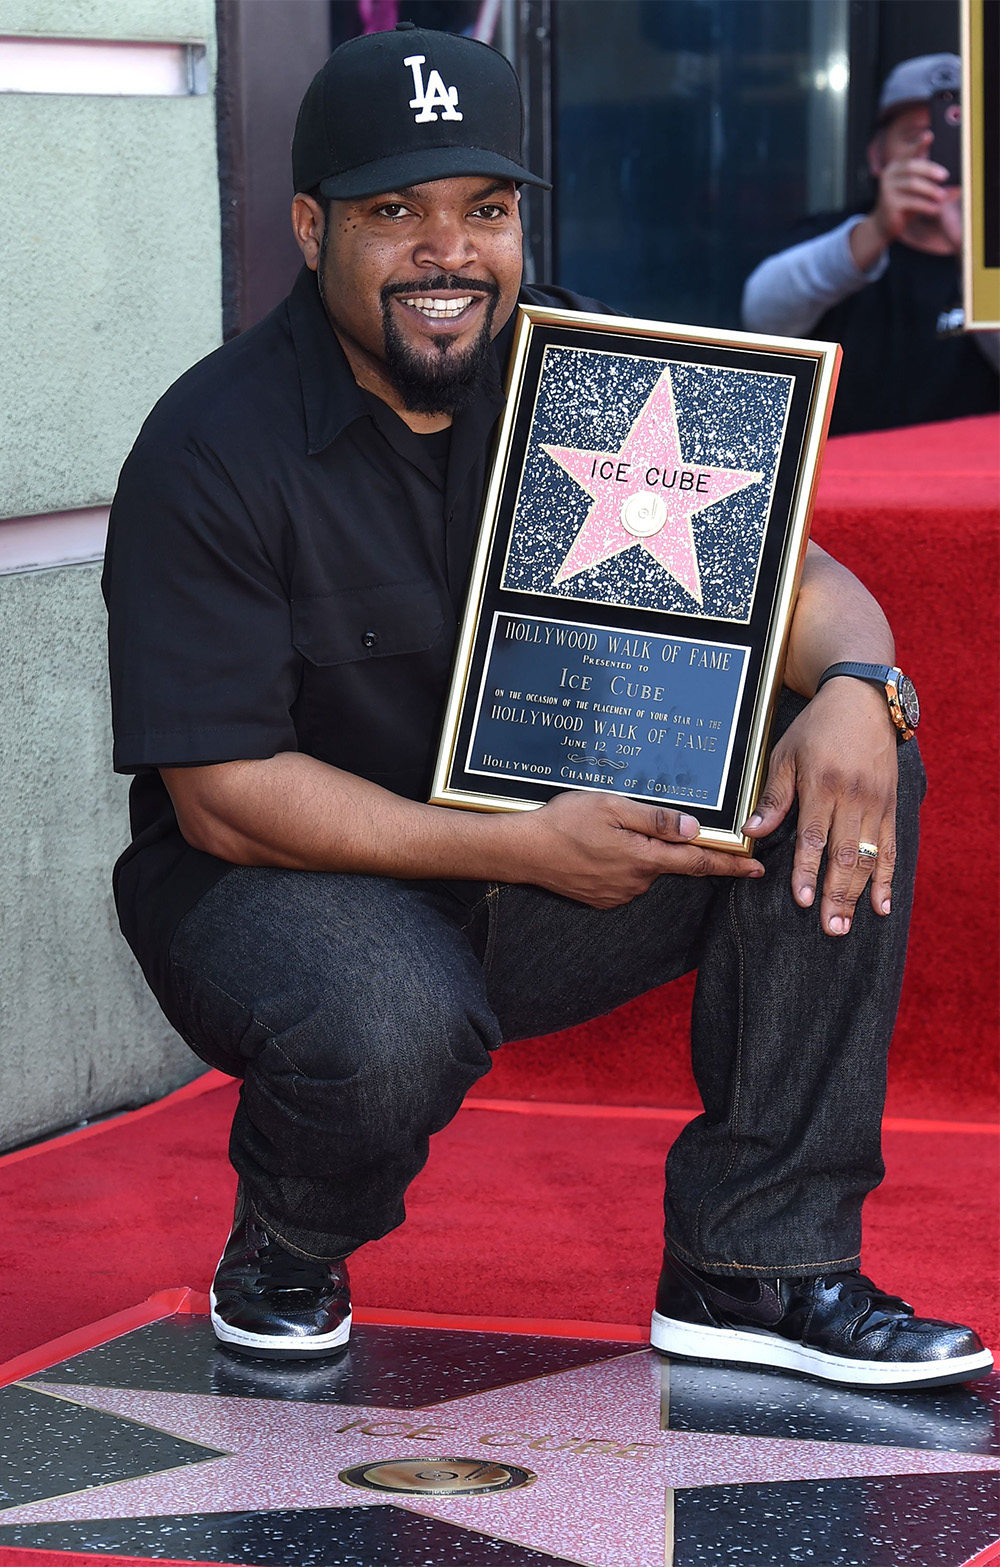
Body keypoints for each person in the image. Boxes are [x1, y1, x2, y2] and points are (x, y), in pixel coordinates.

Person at [103, 24, 992, 1389]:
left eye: (486, 211)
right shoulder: (210, 444)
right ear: (309, 225)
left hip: (545, 861)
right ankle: (288, 1235)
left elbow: (806, 585)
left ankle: (753, 1264)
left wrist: (869, 692)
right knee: (388, 1018)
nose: (448, 252)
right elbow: (223, 798)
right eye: (395, 212)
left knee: (850, 767)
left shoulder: (592, 373)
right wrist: (520, 847)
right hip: (284, 891)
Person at [742, 53, 999, 436]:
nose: (932, 155)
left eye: (952, 138)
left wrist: (974, 248)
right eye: (914, 138)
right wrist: (877, 230)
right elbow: (761, 317)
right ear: (878, 158)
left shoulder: (991, 257)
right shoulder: (832, 235)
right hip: (849, 483)